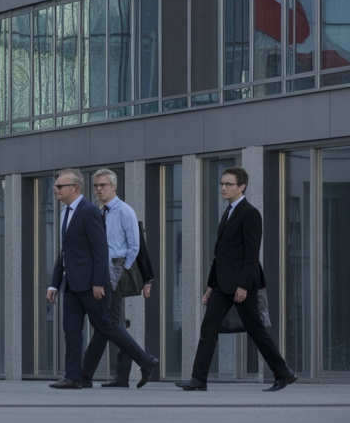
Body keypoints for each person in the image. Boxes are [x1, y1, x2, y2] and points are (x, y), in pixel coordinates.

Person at [176, 167, 298, 392]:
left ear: (242, 186)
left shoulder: (249, 212)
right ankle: (198, 379)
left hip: (242, 284)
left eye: (228, 184)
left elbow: (252, 253)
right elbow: (220, 254)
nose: (223, 188)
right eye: (222, 184)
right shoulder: (229, 211)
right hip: (222, 284)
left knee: (256, 330)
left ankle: (283, 373)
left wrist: (243, 285)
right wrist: (210, 286)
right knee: (208, 329)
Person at [46, 168, 158, 390]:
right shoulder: (65, 214)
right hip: (72, 283)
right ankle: (75, 377)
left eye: (60, 186)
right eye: (55, 186)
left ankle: (145, 361)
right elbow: (64, 252)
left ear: (74, 188)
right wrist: (54, 283)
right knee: (72, 330)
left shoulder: (89, 211)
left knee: (106, 325)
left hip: (94, 281)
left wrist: (102, 280)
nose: (55, 190)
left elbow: (102, 250)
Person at [80, 169, 150, 388]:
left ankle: (87, 375)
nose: (99, 189)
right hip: (102, 272)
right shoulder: (100, 211)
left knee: (108, 323)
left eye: (103, 185)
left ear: (114, 187)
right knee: (110, 324)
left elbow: (134, 245)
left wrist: (121, 271)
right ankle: (118, 375)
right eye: (96, 186)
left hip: (116, 271)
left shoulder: (124, 211)